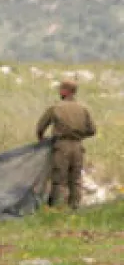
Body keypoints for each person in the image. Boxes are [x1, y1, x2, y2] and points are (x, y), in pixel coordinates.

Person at [36, 79, 97, 209]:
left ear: (65, 91)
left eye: (60, 89)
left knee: (59, 180)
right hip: (78, 147)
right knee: (75, 179)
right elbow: (92, 130)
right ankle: (74, 207)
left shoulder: (55, 107)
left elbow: (40, 127)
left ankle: (58, 208)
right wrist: (78, 136)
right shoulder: (83, 108)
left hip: (61, 147)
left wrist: (41, 139)